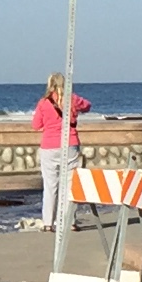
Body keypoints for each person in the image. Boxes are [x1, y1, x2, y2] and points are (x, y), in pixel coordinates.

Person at [34, 72, 89, 228]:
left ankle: (47, 223)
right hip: (70, 143)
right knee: (69, 184)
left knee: (50, 186)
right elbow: (87, 105)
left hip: (49, 146)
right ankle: (69, 221)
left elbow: (36, 125)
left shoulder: (43, 103)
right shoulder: (72, 99)